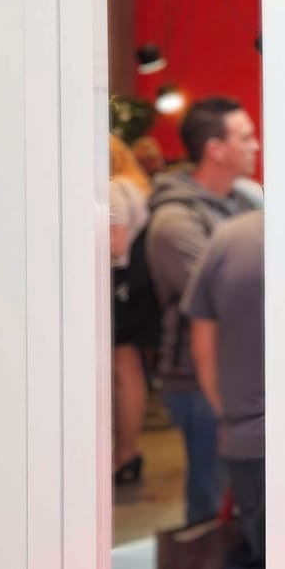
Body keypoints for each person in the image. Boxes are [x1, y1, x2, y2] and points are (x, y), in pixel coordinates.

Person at [147, 97, 260, 527]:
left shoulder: (244, 203)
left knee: (246, 503)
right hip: (199, 381)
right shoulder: (175, 222)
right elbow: (227, 302)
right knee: (212, 508)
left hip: (244, 376)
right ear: (215, 148)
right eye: (245, 137)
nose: (256, 146)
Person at [185, 210, 266, 569]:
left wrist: (228, 415)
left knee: (257, 564)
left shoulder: (228, 239)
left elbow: (203, 347)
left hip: (248, 437)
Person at [109, 135, 152, 488]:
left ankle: (123, 454)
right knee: (128, 368)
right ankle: (127, 452)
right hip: (132, 285)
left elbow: (116, 244)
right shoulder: (135, 186)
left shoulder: (112, 189)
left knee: (122, 370)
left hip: (118, 283)